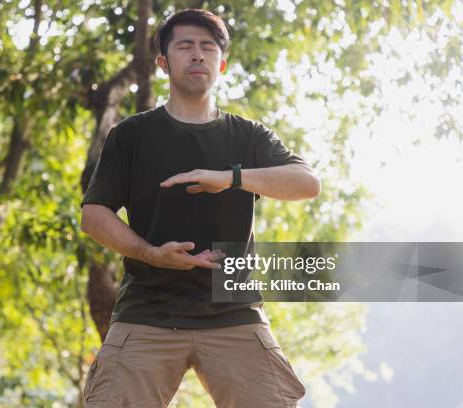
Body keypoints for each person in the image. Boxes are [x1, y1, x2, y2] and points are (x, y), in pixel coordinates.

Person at [80, 8, 320, 408]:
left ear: (221, 64)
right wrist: (151, 254)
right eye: (185, 46)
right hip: (147, 311)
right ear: (163, 62)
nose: (197, 55)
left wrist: (231, 177)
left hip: (233, 309)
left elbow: (307, 183)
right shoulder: (131, 134)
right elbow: (94, 216)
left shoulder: (248, 136)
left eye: (208, 48)